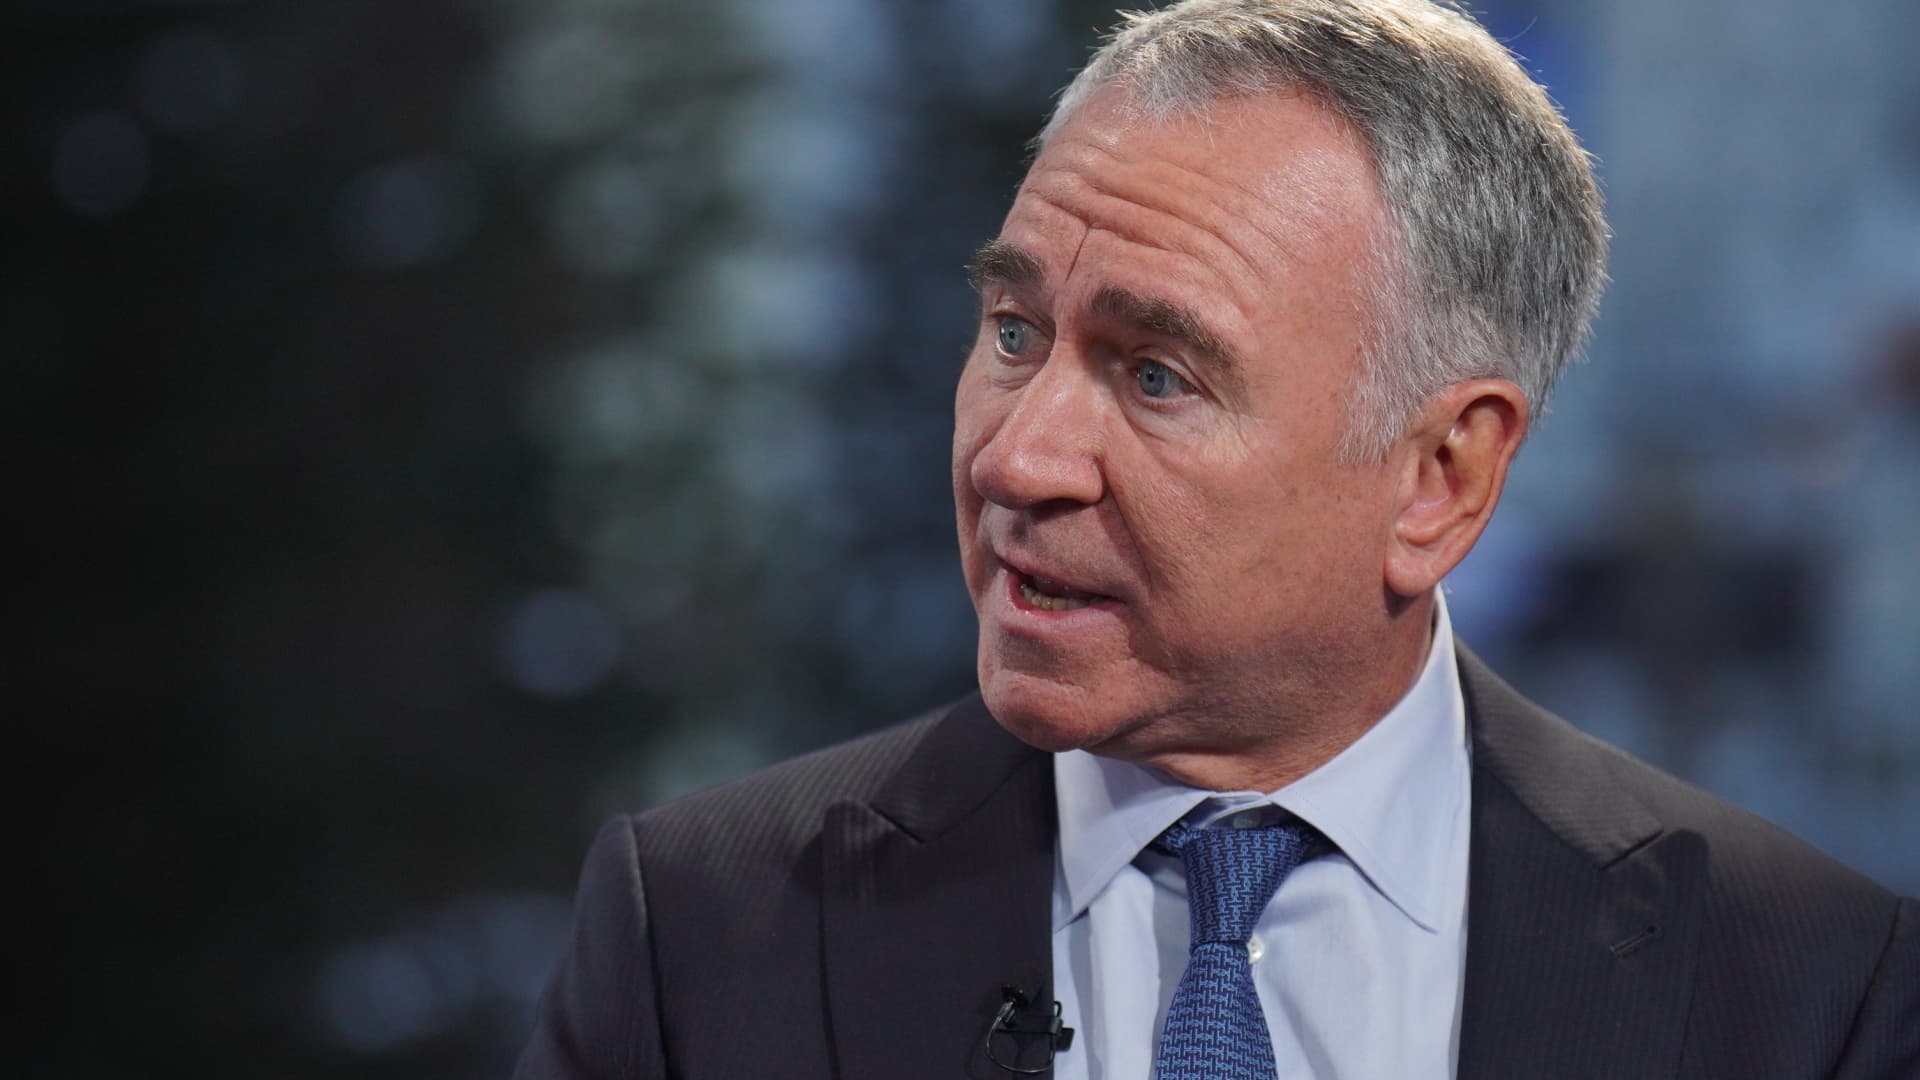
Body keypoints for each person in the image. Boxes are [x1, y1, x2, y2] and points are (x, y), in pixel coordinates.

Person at [515, 1, 1919, 1076]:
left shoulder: (1812, 993)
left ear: (1440, 478)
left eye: (1156, 376)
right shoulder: (698, 935)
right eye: (1014, 332)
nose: (1016, 458)